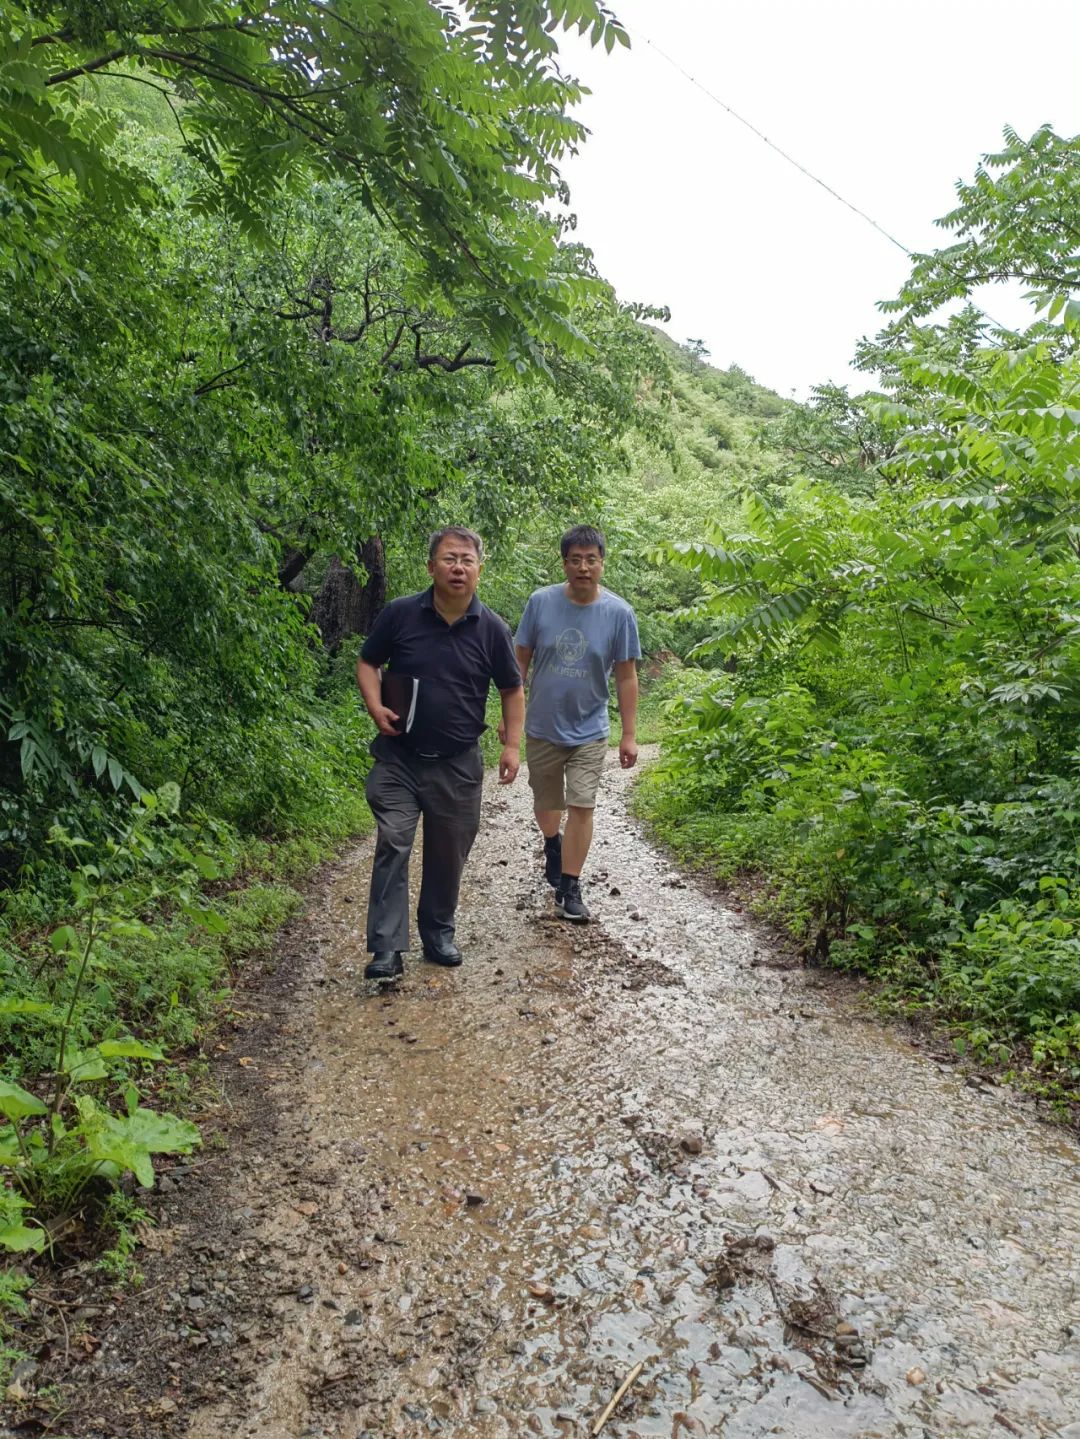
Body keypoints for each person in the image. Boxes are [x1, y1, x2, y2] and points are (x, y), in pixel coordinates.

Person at [356, 527, 524, 981]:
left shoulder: (492, 628)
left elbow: (511, 688)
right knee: (394, 840)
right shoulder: (400, 615)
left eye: (467, 560)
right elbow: (368, 662)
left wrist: (511, 746)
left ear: (479, 571)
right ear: (431, 566)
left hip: (458, 762)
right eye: (449, 559)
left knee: (449, 851)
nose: (458, 567)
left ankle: (437, 932)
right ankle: (386, 949)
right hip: (399, 758)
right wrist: (375, 706)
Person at [512, 524, 641, 921]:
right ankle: (552, 841)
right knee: (547, 806)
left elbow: (626, 675)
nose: (583, 567)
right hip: (542, 726)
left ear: (602, 562)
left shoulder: (619, 613)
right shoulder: (540, 602)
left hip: (590, 728)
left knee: (582, 805)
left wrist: (630, 735)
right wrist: (510, 720)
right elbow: (519, 662)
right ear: (564, 563)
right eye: (575, 559)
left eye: (591, 559)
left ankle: (570, 886)